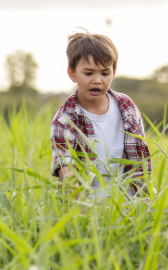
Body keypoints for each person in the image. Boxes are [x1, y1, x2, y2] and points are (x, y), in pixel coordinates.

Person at [51, 29, 152, 201]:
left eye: (104, 73)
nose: (97, 80)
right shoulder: (64, 120)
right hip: (87, 207)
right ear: (72, 73)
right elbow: (65, 168)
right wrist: (84, 212)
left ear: (113, 73)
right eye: (89, 73)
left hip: (130, 206)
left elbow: (140, 158)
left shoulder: (127, 108)